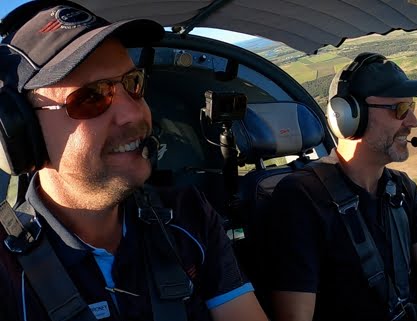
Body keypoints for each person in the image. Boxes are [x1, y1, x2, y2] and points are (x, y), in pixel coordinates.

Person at [0, 2, 267, 321]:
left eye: (133, 83)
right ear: (19, 132)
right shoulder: (7, 271)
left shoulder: (187, 216)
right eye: (91, 97)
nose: (134, 113)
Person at [263, 52, 417, 321]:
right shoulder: (301, 197)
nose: (413, 122)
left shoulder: (401, 190)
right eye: (400, 109)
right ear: (348, 116)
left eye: (412, 107)